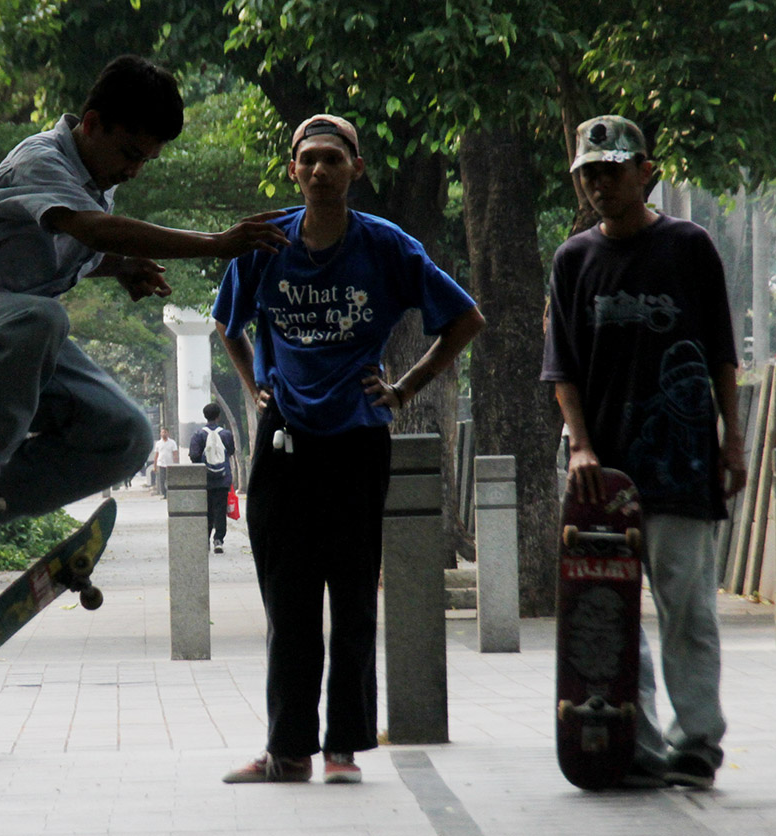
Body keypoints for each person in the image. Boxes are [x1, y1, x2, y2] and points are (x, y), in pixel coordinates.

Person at [0, 54, 288, 582]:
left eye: (145, 160)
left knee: (125, 436)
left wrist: (117, 267)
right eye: (129, 153)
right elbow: (93, 229)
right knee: (42, 318)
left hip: (13, 342)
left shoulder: (94, 177)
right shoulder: (40, 161)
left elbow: (69, 244)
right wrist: (215, 244)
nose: (131, 169)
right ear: (93, 122)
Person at [215, 115, 484, 784]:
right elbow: (229, 325)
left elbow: (464, 318)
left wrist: (404, 386)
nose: (319, 170)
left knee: (355, 597)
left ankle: (343, 750)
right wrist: (254, 390)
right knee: (288, 602)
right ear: (292, 169)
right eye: (308, 159)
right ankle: (287, 751)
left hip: (359, 442)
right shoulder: (264, 244)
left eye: (333, 159)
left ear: (355, 169)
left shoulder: (386, 246)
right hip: (284, 447)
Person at [541, 115, 746, 790]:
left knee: (687, 606)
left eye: (613, 169)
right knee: (610, 608)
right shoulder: (573, 259)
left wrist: (732, 438)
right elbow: (562, 368)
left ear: (645, 170)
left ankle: (697, 742)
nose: (600, 183)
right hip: (602, 471)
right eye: (589, 173)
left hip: (682, 463)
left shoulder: (689, 247)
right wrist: (579, 447)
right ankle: (635, 740)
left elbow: (722, 351)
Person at [188, 403, 235, 552]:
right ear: (218, 416)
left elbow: (194, 456)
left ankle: (205, 539)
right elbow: (231, 451)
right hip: (222, 479)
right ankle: (218, 539)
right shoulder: (226, 434)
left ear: (205, 416)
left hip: (205, 480)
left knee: (206, 510)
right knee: (220, 509)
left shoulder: (198, 434)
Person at [152, 427, 178, 498]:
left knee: (170, 480)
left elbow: (175, 454)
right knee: (162, 480)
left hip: (170, 464)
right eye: (162, 432)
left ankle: (170, 493)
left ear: (168, 433)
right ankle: (164, 494)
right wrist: (155, 466)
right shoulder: (158, 443)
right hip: (161, 464)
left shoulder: (172, 443)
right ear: (160, 433)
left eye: (165, 432)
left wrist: (176, 464)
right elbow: (156, 455)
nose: (164, 434)